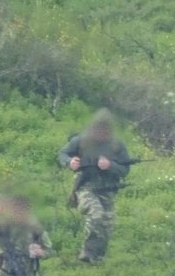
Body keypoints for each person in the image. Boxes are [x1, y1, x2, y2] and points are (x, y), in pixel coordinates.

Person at [57, 108, 134, 263]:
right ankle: (87, 252)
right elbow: (62, 154)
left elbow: (125, 170)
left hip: (108, 190)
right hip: (86, 187)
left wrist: (110, 165)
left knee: (107, 225)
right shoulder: (80, 141)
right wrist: (69, 162)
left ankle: (97, 258)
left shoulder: (117, 145)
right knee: (96, 214)